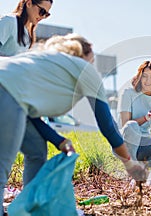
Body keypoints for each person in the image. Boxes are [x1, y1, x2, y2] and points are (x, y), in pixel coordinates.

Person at [0, 33, 147, 215]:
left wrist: (59, 141)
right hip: (5, 91)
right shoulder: (84, 69)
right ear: (82, 55)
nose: (92, 65)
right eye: (91, 60)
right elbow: (108, 126)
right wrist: (129, 164)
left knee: (36, 151)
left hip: (10, 91)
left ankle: (32, 208)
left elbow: (29, 114)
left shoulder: (42, 62)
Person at [0, 0, 75, 187]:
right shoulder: (9, 22)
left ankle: (29, 205)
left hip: (18, 102)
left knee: (37, 151)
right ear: (27, 3)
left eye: (47, 14)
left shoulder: (28, 35)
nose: (42, 16)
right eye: (41, 10)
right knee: (3, 162)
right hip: (3, 97)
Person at [118, 61, 151, 165]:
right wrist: (146, 117)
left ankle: (148, 164)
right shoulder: (128, 93)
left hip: (144, 145)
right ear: (140, 77)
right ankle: (132, 165)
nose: (148, 81)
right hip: (126, 143)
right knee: (132, 125)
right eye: (144, 76)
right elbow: (125, 125)